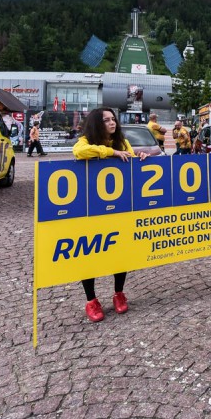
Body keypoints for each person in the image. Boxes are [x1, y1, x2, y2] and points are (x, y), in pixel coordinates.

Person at [72, 107, 148, 322]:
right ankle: (91, 300)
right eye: (106, 120)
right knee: (89, 253)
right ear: (97, 123)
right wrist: (111, 152)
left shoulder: (122, 142)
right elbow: (78, 152)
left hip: (118, 206)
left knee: (119, 251)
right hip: (91, 208)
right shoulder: (85, 141)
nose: (112, 123)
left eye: (113, 119)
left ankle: (119, 293)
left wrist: (140, 158)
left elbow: (130, 161)